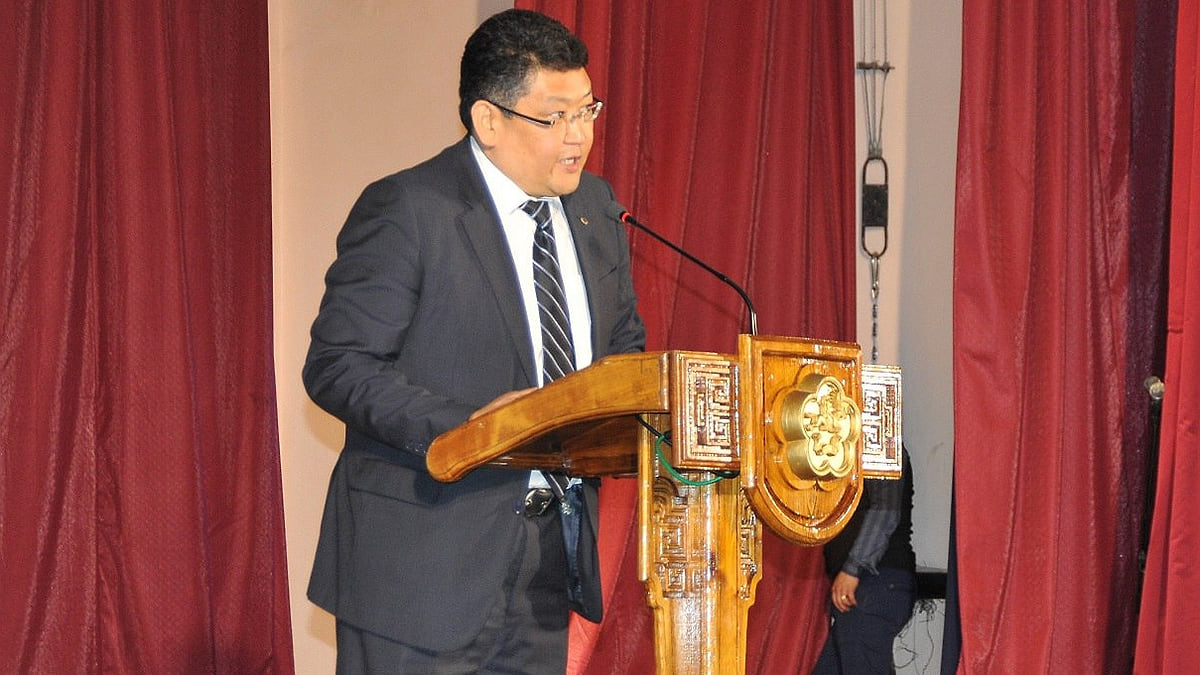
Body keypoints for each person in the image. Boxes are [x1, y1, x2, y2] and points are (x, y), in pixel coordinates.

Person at [302, 9, 646, 673]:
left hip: (546, 567)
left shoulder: (596, 209)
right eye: (556, 117)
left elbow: (623, 352)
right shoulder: (410, 208)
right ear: (489, 120)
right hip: (418, 570)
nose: (579, 136)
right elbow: (340, 366)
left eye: (587, 110)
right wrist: (478, 430)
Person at [811, 449, 917, 674]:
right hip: (868, 586)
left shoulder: (881, 443)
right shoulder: (849, 445)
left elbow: (885, 511)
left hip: (875, 582)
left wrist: (853, 568)